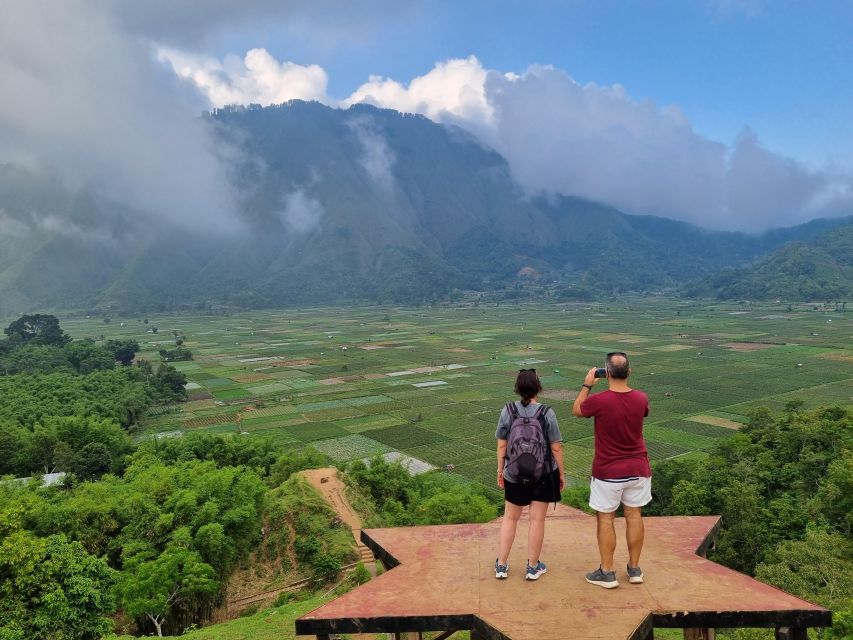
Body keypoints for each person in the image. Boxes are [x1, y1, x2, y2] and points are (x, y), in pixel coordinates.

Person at [572, 351, 651, 589]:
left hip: (608, 470)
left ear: (606, 373)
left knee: (606, 518)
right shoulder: (641, 398)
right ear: (629, 372)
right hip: (638, 467)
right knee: (634, 515)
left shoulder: (600, 400)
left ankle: (607, 572)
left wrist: (587, 384)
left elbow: (577, 410)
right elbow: (642, 413)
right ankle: (635, 569)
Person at [495, 369, 565, 581]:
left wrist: (500, 470)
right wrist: (560, 474)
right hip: (543, 474)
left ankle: (502, 565)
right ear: (538, 388)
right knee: (537, 520)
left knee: (510, 518)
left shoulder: (507, 410)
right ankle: (533, 567)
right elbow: (556, 448)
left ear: (518, 388)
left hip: (514, 473)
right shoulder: (547, 412)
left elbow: (501, 445)